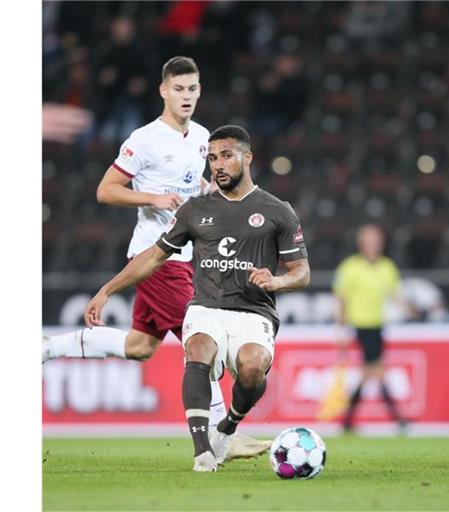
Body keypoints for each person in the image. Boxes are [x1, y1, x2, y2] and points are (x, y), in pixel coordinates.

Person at [42, 57, 267, 460]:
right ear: (163, 91)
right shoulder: (144, 139)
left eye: (192, 89)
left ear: (200, 92)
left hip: (183, 257)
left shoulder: (201, 137)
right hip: (155, 256)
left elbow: (193, 186)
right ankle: (222, 436)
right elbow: (106, 190)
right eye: (178, 89)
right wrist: (152, 197)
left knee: (142, 345)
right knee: (203, 341)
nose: (186, 97)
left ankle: (47, 348)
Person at [83, 125, 310, 472]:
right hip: (206, 307)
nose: (217, 165)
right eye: (212, 157)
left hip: (254, 311)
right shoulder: (195, 209)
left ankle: (228, 427)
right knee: (199, 349)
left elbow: (302, 272)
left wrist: (276, 281)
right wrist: (107, 290)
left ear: (247, 158)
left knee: (251, 369)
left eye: (226, 156)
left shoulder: (278, 210)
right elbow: (154, 256)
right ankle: (203, 451)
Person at [333, 224, 408, 433]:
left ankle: (348, 418)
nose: (375, 245)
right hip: (360, 325)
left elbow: (395, 295)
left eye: (377, 241)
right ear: (362, 244)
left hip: (378, 325)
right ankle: (397, 417)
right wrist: (340, 328)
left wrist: (411, 309)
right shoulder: (350, 267)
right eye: (371, 241)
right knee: (376, 369)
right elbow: (341, 299)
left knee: (372, 370)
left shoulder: (387, 267)